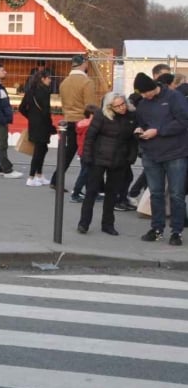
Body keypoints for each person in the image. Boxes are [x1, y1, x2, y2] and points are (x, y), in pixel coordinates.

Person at [130, 72, 188, 245]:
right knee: (156, 193)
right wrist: (139, 130)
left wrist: (158, 131)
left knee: (176, 194)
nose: (143, 96)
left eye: (145, 93)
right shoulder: (143, 103)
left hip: (175, 153)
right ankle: (156, 228)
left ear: (152, 88)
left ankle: (176, 231)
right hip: (151, 153)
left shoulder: (174, 97)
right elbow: (141, 122)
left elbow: (184, 121)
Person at [77, 92, 136, 236]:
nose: (122, 108)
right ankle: (84, 223)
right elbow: (90, 137)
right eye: (118, 106)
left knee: (112, 194)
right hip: (98, 158)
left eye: (123, 104)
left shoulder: (131, 116)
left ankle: (108, 224)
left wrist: (131, 157)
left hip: (119, 160)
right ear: (110, 107)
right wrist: (87, 157)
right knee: (91, 191)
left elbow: (133, 139)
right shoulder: (101, 115)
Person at [51, 54, 94, 189]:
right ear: (84, 63)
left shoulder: (64, 82)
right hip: (83, 121)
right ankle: (90, 185)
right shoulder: (87, 82)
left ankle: (56, 179)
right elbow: (90, 106)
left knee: (69, 152)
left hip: (68, 119)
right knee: (87, 154)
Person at [18, 68, 57, 186]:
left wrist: (31, 117)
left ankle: (39, 175)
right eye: (49, 78)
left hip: (34, 124)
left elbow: (21, 108)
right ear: (43, 79)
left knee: (42, 149)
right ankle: (31, 177)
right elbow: (46, 112)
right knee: (39, 151)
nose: (50, 80)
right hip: (43, 125)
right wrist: (51, 127)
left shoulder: (31, 90)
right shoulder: (45, 91)